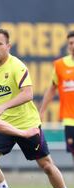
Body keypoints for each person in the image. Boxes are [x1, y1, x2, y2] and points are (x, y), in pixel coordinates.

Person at [0, 28, 74, 188]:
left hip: (27, 124)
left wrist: (2, 106)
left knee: (46, 165)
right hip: (3, 125)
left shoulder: (17, 66)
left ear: (8, 46)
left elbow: (28, 94)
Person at [40, 31, 74, 164]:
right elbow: (52, 88)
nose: (73, 46)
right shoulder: (60, 65)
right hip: (70, 118)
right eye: (71, 43)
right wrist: (42, 111)